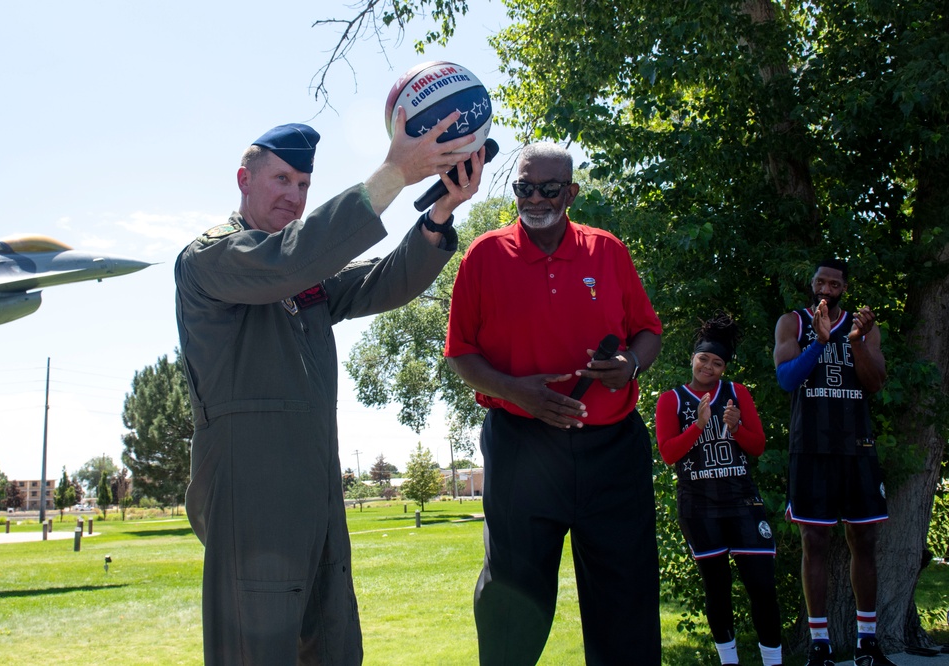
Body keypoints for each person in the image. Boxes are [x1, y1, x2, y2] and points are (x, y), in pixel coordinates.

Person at [175, 110, 485, 665]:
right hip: (252, 496)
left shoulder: (300, 270)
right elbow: (292, 260)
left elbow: (378, 281)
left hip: (317, 492)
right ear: (244, 180)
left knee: (334, 645)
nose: (294, 196)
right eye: (282, 181)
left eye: (304, 186)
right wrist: (395, 171)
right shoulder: (212, 258)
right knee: (256, 651)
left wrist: (439, 213)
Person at [444, 141, 663, 665]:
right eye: (524, 187)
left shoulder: (607, 251)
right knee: (512, 597)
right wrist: (516, 390)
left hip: (612, 448)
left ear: (572, 192)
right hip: (522, 448)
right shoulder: (484, 255)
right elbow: (461, 354)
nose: (535, 198)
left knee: (626, 597)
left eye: (548, 188)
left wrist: (630, 364)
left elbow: (648, 332)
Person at [774, 259, 893, 666]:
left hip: (856, 446)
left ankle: (867, 643)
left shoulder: (865, 327)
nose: (826, 287)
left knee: (865, 541)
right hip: (811, 447)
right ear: (811, 284)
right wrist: (821, 343)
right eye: (820, 281)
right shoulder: (793, 322)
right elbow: (787, 379)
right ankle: (820, 645)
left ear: (844, 289)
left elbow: (876, 383)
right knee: (815, 541)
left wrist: (856, 342)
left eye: (834, 283)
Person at [656, 312, 782, 666]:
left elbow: (757, 446)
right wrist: (698, 425)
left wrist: (736, 426)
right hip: (698, 506)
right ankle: (730, 661)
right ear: (692, 359)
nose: (707, 367)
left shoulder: (737, 394)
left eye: (716, 363)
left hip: (742, 502)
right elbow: (668, 453)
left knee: (761, 585)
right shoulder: (671, 400)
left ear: (724, 368)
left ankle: (773, 661)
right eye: (703, 359)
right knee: (717, 587)